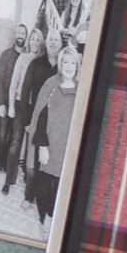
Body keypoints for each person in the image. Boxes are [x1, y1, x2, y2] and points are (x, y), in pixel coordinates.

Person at [28, 42, 80, 229]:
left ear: (77, 65)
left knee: (61, 188)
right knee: (42, 188)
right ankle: (44, 218)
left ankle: (51, 217)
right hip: (48, 147)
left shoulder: (82, 89)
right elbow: (40, 115)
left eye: (72, 63)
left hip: (68, 149)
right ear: (60, 63)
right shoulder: (51, 83)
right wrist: (42, 146)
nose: (68, 66)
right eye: (65, 62)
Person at [4, 29, 54, 202]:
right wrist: (11, 105)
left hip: (35, 107)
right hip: (20, 103)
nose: (33, 41)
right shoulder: (23, 58)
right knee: (16, 141)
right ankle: (9, 180)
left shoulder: (43, 61)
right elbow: (14, 84)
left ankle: (27, 175)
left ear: (41, 42)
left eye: (37, 39)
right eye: (31, 38)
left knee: (31, 144)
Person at [0, 26, 27, 176]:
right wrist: (1, 103)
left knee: (15, 135)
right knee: (3, 133)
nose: (20, 35)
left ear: (26, 36)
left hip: (19, 102)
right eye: (18, 33)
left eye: (23, 33)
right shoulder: (6, 55)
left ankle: (8, 164)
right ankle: (0, 163)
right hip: (6, 101)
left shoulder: (27, 55)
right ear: (14, 35)